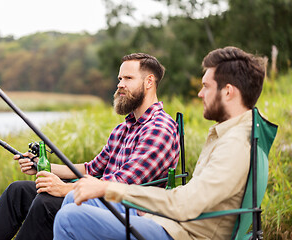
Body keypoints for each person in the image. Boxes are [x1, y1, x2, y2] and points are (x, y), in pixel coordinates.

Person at [53, 46, 266, 240]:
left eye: (206, 86)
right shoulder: (231, 135)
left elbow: (186, 204)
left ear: (228, 91)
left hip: (183, 234)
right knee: (78, 201)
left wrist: (109, 188)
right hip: (173, 223)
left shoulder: (235, 145)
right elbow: (194, 196)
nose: (200, 93)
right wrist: (149, 206)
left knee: (70, 217)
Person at [0, 53, 180, 240]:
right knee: (18, 191)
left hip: (127, 210)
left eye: (128, 78)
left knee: (45, 203)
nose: (120, 84)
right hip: (99, 199)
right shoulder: (123, 129)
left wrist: (64, 189)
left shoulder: (159, 128)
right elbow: (91, 169)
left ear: (149, 82)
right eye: (119, 79)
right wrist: (42, 167)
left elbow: (120, 183)